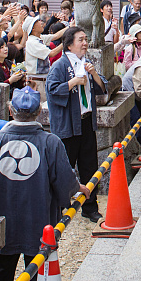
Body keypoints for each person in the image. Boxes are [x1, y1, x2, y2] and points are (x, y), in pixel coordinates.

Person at [0, 86, 85, 281]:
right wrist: (76, 189)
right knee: (37, 269)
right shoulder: (51, 142)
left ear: (10, 110)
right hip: (39, 223)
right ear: (39, 112)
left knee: (1, 271)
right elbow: (65, 182)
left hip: (2, 223)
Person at [46, 27, 104, 223]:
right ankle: (60, 208)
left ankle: (90, 207)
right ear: (69, 44)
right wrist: (73, 82)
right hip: (68, 125)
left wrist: (94, 74)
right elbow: (52, 90)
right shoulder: (60, 65)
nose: (85, 43)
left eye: (86, 39)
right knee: (65, 167)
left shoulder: (86, 63)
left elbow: (101, 87)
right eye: (81, 39)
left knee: (90, 166)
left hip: (86, 122)